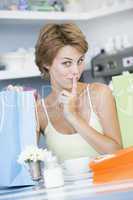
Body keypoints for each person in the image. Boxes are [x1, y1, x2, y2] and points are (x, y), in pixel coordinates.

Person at [35, 23, 122, 162]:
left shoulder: (99, 93)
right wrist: (17, 105)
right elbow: (25, 165)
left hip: (107, 182)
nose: (76, 71)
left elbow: (116, 152)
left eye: (80, 61)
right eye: (67, 63)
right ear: (46, 63)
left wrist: (73, 116)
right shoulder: (40, 111)